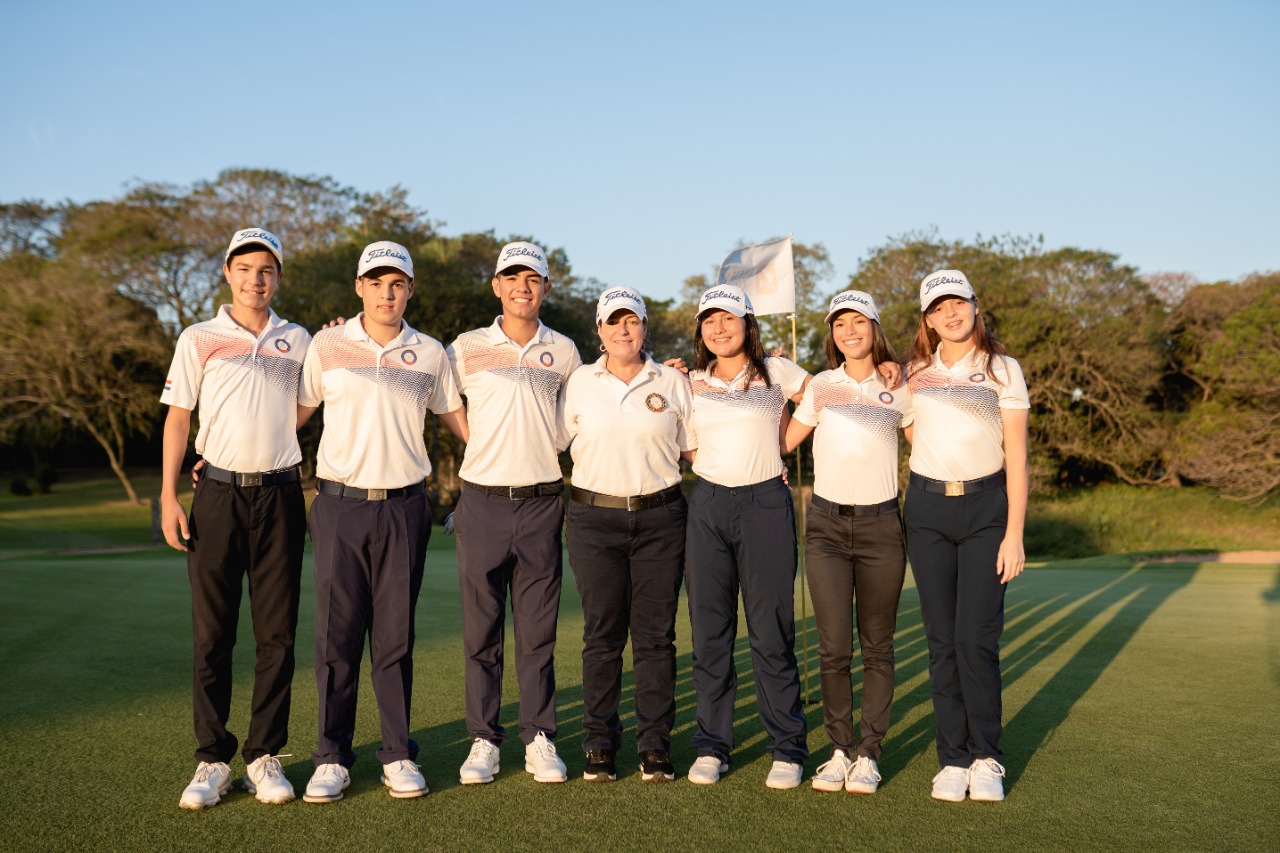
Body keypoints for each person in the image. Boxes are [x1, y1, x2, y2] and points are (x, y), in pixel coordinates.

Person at [298, 241, 468, 803]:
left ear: (410, 289)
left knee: (394, 638)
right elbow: (288, 417)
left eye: (397, 283)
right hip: (339, 505)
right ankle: (331, 757)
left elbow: (464, 423)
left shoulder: (430, 353)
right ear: (359, 287)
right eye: (376, 282)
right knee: (336, 638)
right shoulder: (327, 343)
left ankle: (397, 753)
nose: (386, 292)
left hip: (404, 506)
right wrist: (215, 455)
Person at [160, 228, 309, 809]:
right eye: (245, 268)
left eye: (267, 270)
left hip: (281, 496)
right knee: (212, 635)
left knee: (277, 633)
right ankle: (213, 759)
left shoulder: (297, 340)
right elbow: (178, 418)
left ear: (278, 277)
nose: (256, 279)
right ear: (227, 273)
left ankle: (266, 756)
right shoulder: (198, 338)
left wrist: (264, 435)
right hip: (216, 497)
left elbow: (310, 401)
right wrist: (171, 495)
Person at [447, 242, 582, 785]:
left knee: (537, 630)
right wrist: (473, 439)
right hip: (481, 501)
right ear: (497, 287)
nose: (523, 287)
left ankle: (539, 736)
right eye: (512, 278)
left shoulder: (566, 351)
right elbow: (436, 399)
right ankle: (483, 739)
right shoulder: (464, 347)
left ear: (546, 288)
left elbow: (582, 409)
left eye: (533, 279)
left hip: (543, 501)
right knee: (482, 631)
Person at [557, 286, 696, 782]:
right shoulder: (578, 382)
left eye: (632, 321)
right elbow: (552, 440)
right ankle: (599, 743)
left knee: (656, 640)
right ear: (599, 331)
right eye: (613, 322)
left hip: (661, 519)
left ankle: (655, 744)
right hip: (594, 521)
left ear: (644, 328)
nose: (623, 329)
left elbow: (698, 448)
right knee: (602, 637)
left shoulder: (673, 382)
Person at [905, 270, 1029, 803]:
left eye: (958, 303)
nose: (949, 314)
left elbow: (1019, 457)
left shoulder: (1003, 369)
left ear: (975, 307)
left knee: (975, 640)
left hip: (987, 510)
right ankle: (952, 757)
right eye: (938, 308)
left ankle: (986, 757)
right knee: (940, 641)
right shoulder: (914, 373)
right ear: (928, 320)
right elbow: (911, 432)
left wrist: (1015, 533)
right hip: (928, 509)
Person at [783, 290, 913, 795]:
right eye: (840, 325)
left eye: (858, 322)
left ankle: (869, 753)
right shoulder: (820, 387)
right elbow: (782, 442)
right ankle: (839, 750)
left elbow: (926, 444)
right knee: (834, 648)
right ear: (831, 335)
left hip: (883, 528)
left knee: (877, 648)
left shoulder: (902, 385)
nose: (849, 331)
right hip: (826, 529)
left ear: (874, 327)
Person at [682, 283, 811, 789]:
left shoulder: (776, 370)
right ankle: (712, 746)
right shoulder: (689, 381)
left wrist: (783, 446)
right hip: (709, 504)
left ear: (748, 325)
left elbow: (821, 395)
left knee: (771, 632)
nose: (718, 328)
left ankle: (787, 747)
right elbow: (678, 439)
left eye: (729, 319)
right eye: (709, 321)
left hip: (765, 506)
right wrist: (712, 462)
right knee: (710, 634)